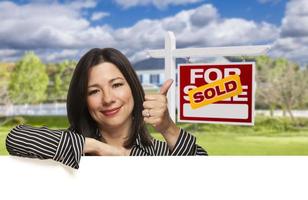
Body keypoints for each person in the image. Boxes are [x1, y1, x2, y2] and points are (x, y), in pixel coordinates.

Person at [6, 48, 207, 169]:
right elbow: (16, 138)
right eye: (94, 91)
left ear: (133, 88)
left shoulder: (160, 153)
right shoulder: (67, 147)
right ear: (83, 100)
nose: (108, 99)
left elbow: (207, 174)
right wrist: (99, 148)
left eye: (117, 85)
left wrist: (167, 127)